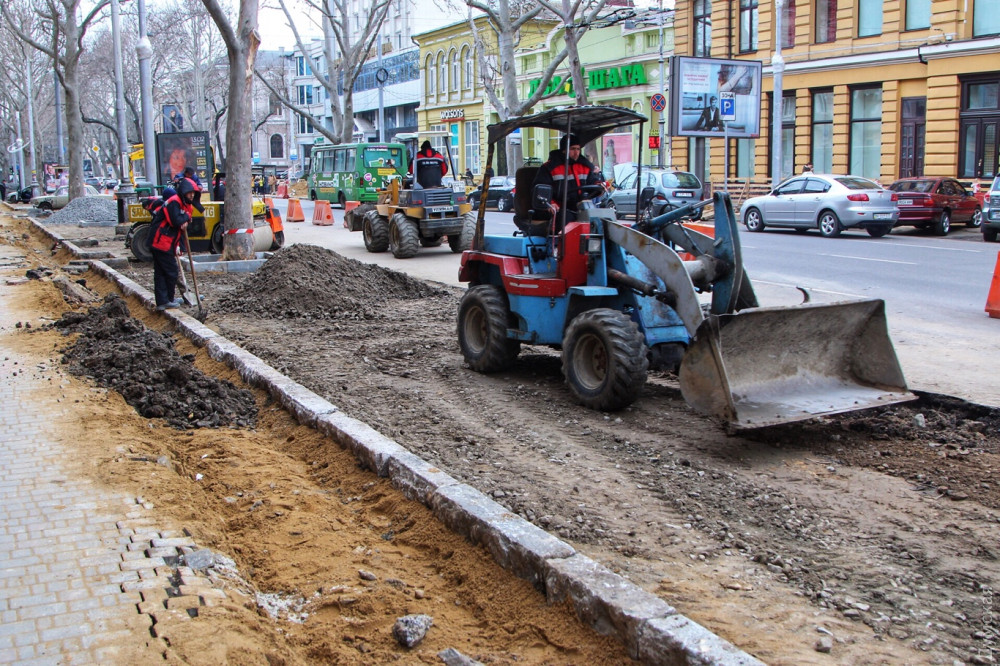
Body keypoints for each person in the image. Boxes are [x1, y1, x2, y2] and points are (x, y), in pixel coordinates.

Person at [148, 178, 203, 311]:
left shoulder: (185, 204)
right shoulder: (174, 202)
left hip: (166, 242)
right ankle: (167, 299)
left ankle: (165, 299)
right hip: (160, 242)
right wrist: (185, 219)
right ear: (184, 192)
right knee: (171, 271)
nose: (192, 195)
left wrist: (185, 220)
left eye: (194, 193)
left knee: (162, 272)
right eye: (190, 192)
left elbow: (185, 220)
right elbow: (176, 221)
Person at [532, 133, 601, 227]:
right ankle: (562, 241)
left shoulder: (585, 166)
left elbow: (593, 181)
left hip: (581, 207)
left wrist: (600, 186)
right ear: (564, 150)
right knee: (566, 218)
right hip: (558, 208)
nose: (576, 153)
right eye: (572, 149)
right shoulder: (549, 167)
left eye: (578, 149)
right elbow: (540, 190)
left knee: (599, 220)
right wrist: (551, 204)